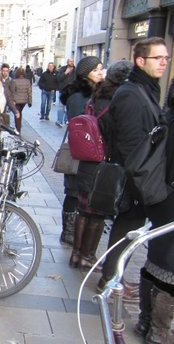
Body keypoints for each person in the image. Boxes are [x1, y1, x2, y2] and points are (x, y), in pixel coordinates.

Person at [97, 37, 169, 340]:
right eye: (157, 58)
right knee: (125, 227)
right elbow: (129, 145)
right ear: (140, 61)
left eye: (165, 58)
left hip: (142, 177)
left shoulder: (146, 90)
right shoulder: (131, 93)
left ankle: (113, 277)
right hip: (136, 178)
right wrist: (142, 182)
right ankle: (110, 279)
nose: (163, 62)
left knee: (130, 228)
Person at [70, 60, 132, 270]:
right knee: (97, 213)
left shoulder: (95, 97)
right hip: (102, 164)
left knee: (83, 210)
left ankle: (76, 255)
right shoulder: (115, 101)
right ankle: (87, 255)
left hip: (86, 162)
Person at [139, 85, 174, 343]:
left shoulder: (167, 119)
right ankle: (160, 331)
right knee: (170, 269)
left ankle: (144, 321)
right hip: (170, 200)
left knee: (156, 260)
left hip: (161, 199)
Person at [58, 56, 103, 247]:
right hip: (80, 152)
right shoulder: (78, 96)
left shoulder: (98, 93)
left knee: (82, 192)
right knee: (73, 192)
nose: (101, 73)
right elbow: (79, 125)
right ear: (86, 74)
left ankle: (76, 231)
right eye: (96, 70)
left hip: (92, 152)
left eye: (101, 68)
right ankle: (68, 232)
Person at [8, 67, 32, 132]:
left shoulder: (14, 81)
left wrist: (12, 100)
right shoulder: (27, 81)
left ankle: (18, 129)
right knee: (20, 112)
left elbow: (12, 91)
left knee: (17, 113)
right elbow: (29, 92)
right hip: (24, 101)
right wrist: (30, 101)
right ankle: (19, 127)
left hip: (16, 101)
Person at [56, 58, 76, 127]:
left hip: (72, 91)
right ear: (67, 62)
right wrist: (65, 73)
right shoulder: (62, 69)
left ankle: (67, 120)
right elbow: (58, 78)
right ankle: (59, 121)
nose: (71, 62)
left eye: (72, 61)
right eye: (70, 61)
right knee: (61, 107)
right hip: (63, 91)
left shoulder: (75, 70)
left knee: (69, 107)